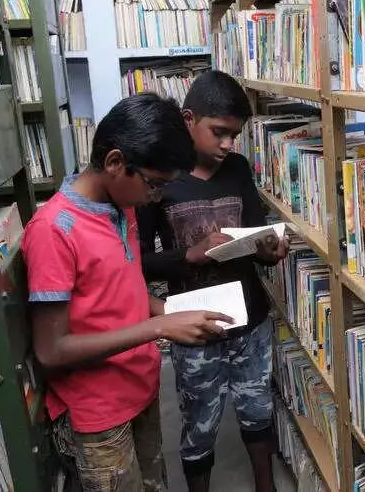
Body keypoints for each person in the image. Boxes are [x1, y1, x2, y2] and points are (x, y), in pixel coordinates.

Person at [21, 93, 235, 492]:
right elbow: (51, 350)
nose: (155, 197)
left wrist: (174, 309)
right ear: (115, 162)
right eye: (154, 185)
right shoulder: (55, 230)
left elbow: (122, 292)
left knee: (154, 483)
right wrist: (160, 328)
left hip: (141, 385)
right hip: (99, 413)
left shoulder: (123, 206)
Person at [137, 71, 288, 492]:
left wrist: (269, 250)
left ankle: (266, 486)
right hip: (197, 327)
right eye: (219, 132)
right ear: (188, 119)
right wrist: (187, 255)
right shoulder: (162, 179)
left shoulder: (238, 168)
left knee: (258, 413)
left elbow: (256, 231)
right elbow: (139, 262)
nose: (227, 145)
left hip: (251, 321)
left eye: (234, 136)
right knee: (199, 426)